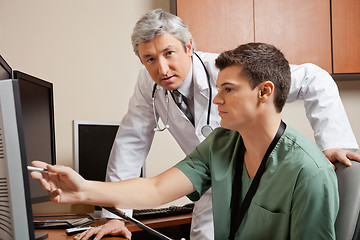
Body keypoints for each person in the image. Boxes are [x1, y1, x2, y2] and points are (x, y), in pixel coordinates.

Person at [71, 8, 359, 240]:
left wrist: (336, 144)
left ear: (189, 47)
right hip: (212, 179)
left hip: (251, 179)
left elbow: (314, 78)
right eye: (149, 59)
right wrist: (114, 215)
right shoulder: (211, 141)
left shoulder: (227, 71)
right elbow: (134, 150)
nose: (161, 68)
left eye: (169, 53)